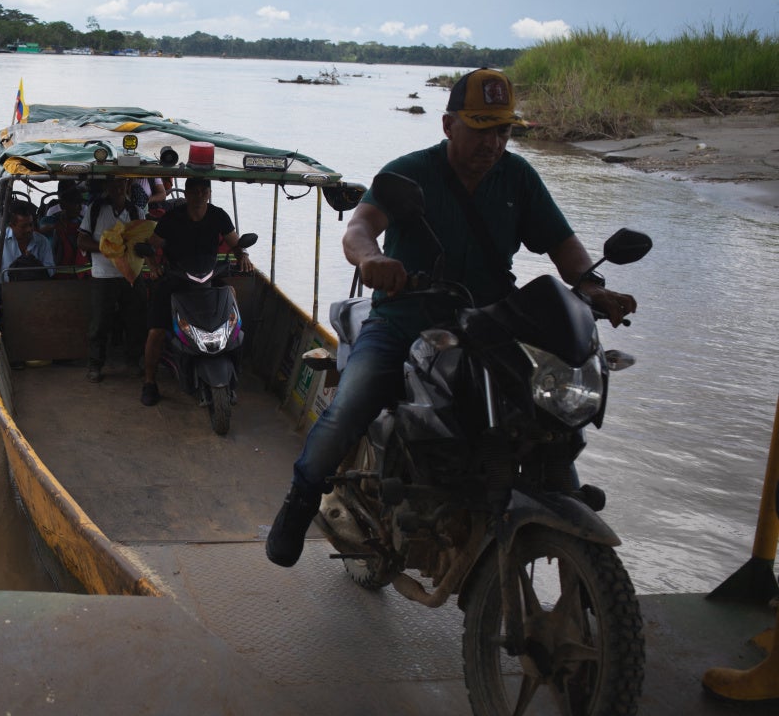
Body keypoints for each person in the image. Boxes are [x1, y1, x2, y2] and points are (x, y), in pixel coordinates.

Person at [265, 68, 638, 567]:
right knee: (349, 408)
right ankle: (300, 500)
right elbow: (360, 225)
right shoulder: (408, 173)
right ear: (448, 125)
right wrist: (370, 259)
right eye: (481, 127)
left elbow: (562, 245)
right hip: (404, 317)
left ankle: (559, 513)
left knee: (547, 412)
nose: (493, 141)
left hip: (490, 322)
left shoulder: (519, 177)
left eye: (503, 130)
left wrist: (593, 286)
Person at [139, 177, 252, 406]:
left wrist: (244, 256)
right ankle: (150, 382)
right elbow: (151, 245)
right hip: (176, 278)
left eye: (204, 191)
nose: (199, 196)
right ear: (187, 194)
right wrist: (154, 266)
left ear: (209, 193)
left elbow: (235, 242)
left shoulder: (218, 215)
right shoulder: (172, 218)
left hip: (208, 276)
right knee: (156, 331)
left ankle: (231, 373)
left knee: (232, 302)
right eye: (195, 191)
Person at [77, 177, 147, 382]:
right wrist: (105, 246)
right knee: (99, 322)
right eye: (114, 185)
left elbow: (143, 240)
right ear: (107, 187)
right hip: (103, 275)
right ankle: (95, 364)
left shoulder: (136, 212)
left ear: (127, 187)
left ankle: (134, 361)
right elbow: (81, 240)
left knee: (136, 319)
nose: (118, 188)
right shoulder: (96, 209)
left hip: (131, 274)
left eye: (122, 185)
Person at [0, 202, 55, 288]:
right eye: (24, 226)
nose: (29, 229)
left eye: (31, 224)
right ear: (11, 225)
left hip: (36, 290)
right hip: (6, 290)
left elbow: (50, 269)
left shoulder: (42, 241)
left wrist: (33, 264)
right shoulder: (0, 240)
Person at [41, 183, 90, 278]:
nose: (80, 208)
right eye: (76, 204)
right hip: (56, 275)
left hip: (81, 275)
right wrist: (54, 227)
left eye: (81, 204)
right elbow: (39, 231)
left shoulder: (83, 223)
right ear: (63, 205)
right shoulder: (49, 221)